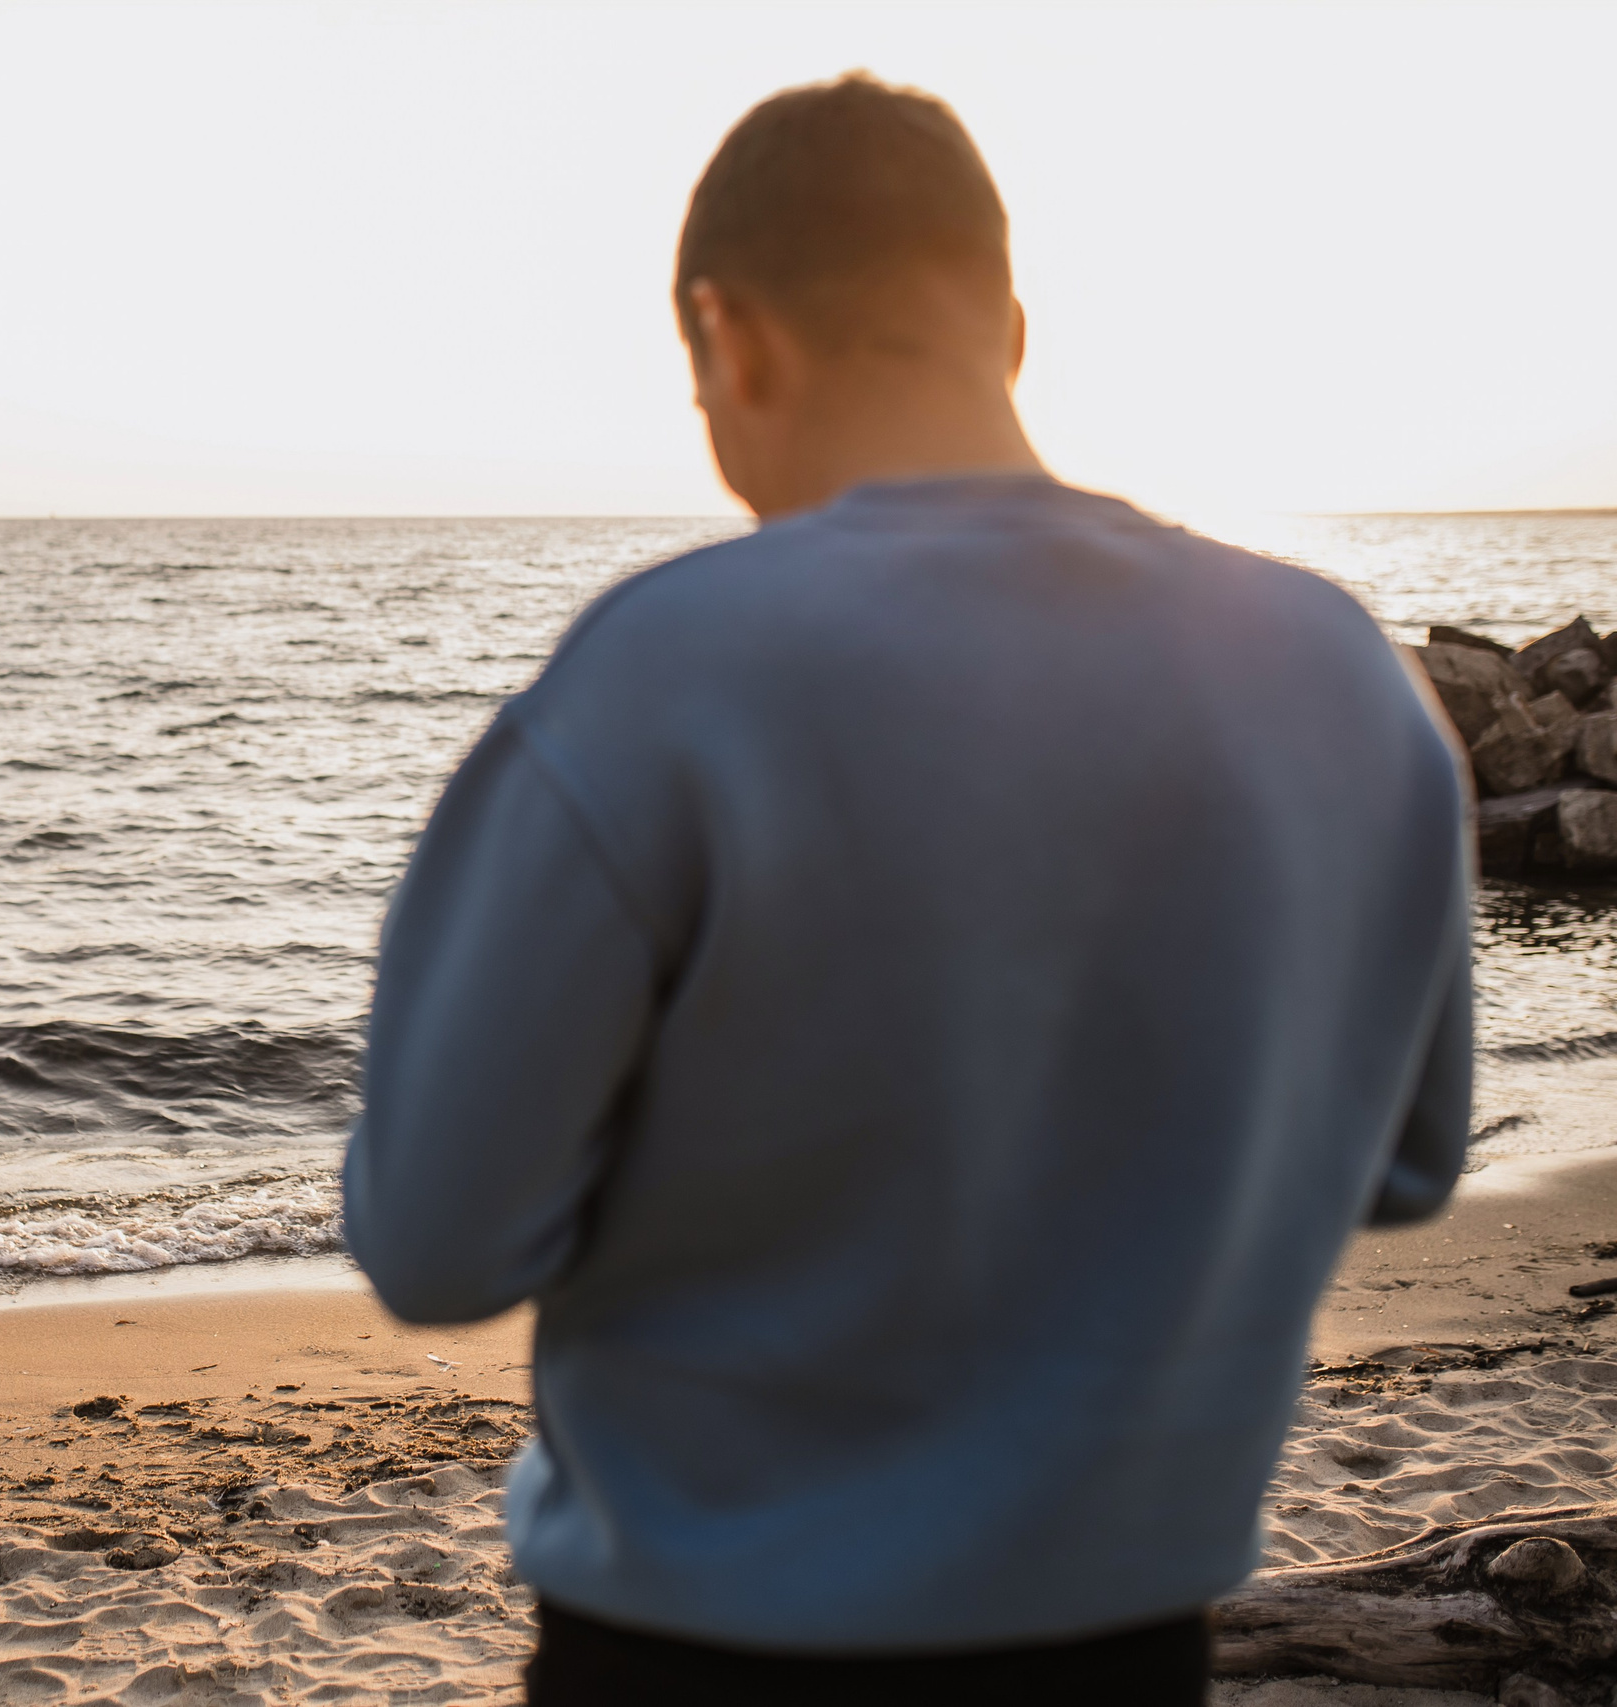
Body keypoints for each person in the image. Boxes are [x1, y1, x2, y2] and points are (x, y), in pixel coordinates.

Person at [343, 73, 1470, 1704]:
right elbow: (1412, 1162)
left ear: (731, 339)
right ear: (1008, 330)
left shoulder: (661, 671)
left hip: (700, 1653)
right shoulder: (1343, 674)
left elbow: (437, 1242)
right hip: (1125, 1646)